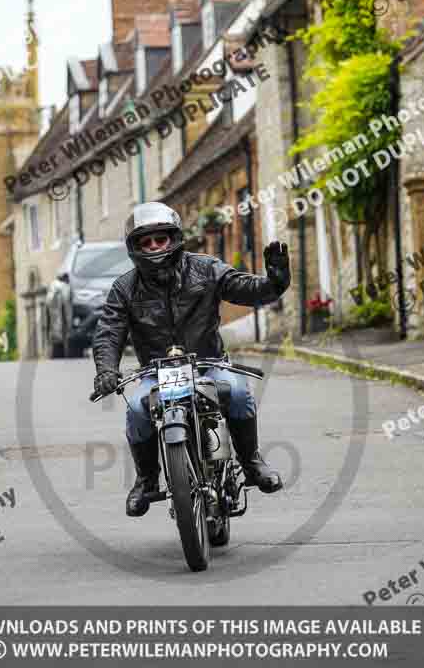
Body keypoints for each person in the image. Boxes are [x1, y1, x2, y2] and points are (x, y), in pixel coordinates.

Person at [92, 202, 291, 517]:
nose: (154, 246)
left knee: (239, 393)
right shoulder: (124, 288)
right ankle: (146, 479)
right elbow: (109, 332)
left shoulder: (206, 269)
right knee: (138, 411)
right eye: (146, 241)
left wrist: (275, 283)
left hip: (209, 364)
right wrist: (106, 370)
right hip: (156, 372)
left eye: (160, 239)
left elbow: (244, 289)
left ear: (174, 238)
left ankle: (252, 463)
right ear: (135, 247)